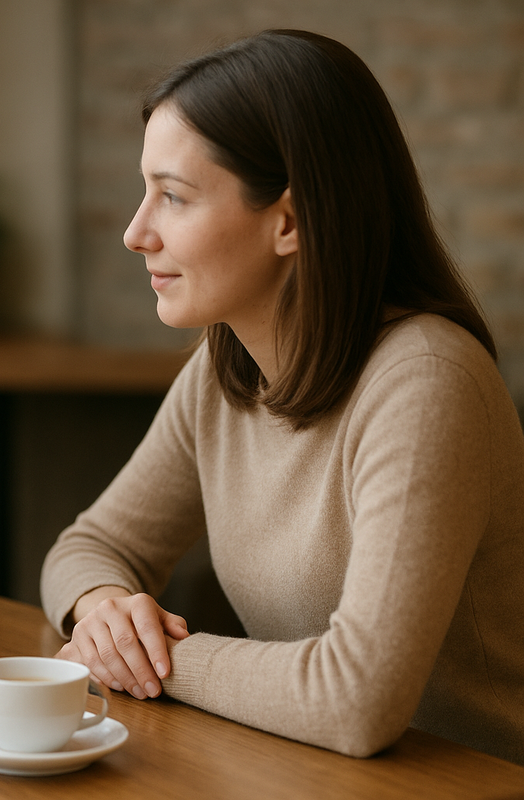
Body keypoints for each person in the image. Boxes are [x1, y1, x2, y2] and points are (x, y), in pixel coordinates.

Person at [41, 29, 524, 764]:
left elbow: (357, 701)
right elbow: (90, 546)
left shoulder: (426, 384)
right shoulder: (222, 370)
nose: (137, 232)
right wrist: (105, 612)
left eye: (173, 196)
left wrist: (161, 660)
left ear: (289, 221)